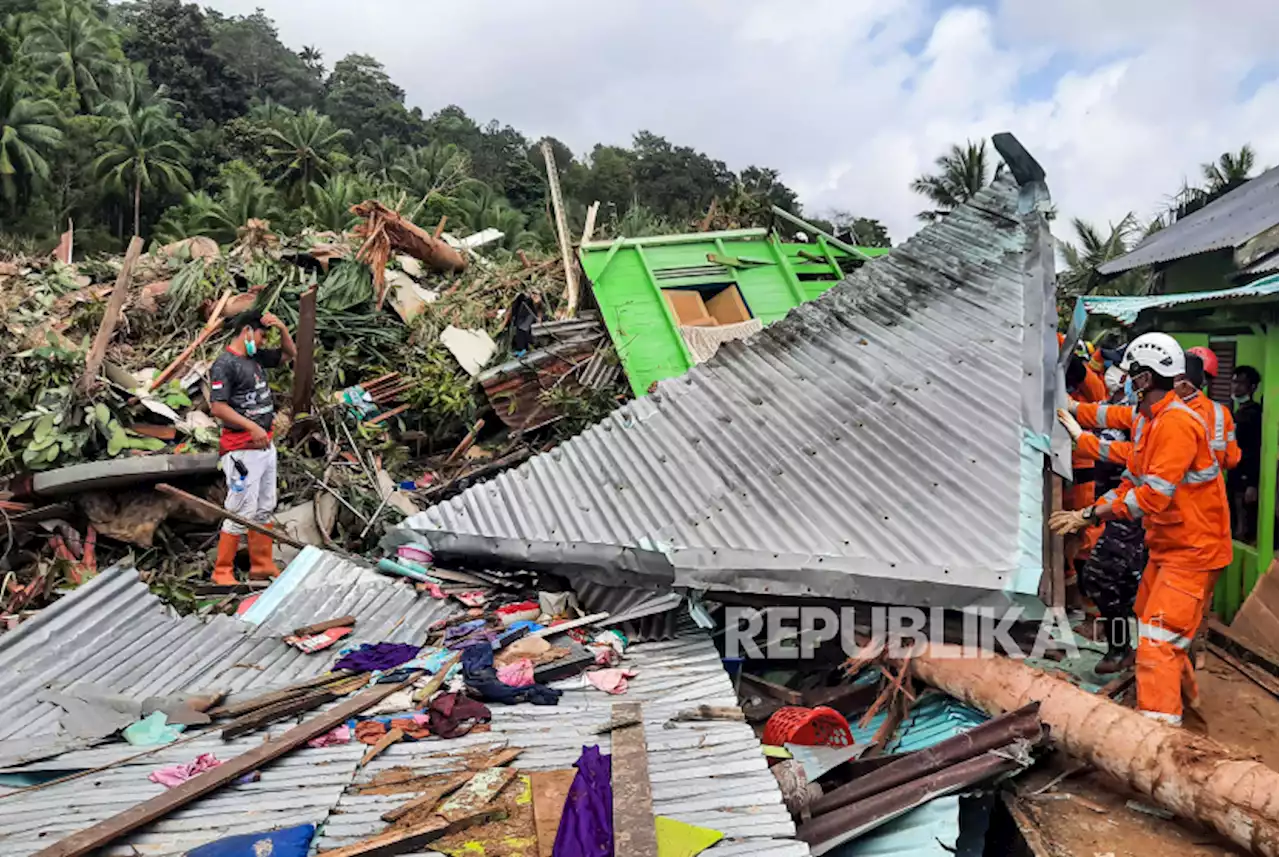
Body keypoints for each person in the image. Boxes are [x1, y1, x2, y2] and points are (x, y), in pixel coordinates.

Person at [1051, 332, 1231, 726]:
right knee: (1155, 625)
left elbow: (1150, 497)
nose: (1124, 380)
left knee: (1157, 646)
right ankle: (1185, 706)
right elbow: (1131, 470)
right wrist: (1079, 431)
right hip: (1171, 546)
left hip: (1192, 551)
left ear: (1146, 378)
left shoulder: (1175, 425)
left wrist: (1088, 516)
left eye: (1130, 374)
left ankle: (1158, 740)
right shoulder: (1153, 420)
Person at [209, 309, 297, 585]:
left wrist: (283, 328)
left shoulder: (254, 358)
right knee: (239, 510)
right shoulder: (225, 364)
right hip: (241, 450)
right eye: (261, 335)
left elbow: (288, 354)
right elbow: (218, 407)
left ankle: (261, 564)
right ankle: (222, 571)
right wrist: (252, 426)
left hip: (264, 447)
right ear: (246, 331)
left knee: (264, 507)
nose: (262, 341)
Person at [1229, 365, 1263, 541]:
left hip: (1246, 478)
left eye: (1241, 383)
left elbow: (1256, 449)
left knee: (1245, 526)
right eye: (1234, 382)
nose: (1236, 387)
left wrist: (1252, 483)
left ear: (1253, 387)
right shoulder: (1237, 412)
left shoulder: (1255, 414)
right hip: (1234, 475)